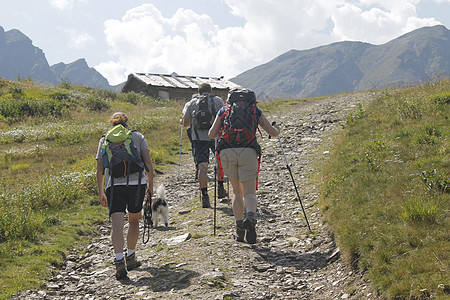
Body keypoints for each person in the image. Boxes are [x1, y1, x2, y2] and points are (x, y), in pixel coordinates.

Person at [208, 88, 280, 244]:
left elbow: (211, 134)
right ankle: (251, 218)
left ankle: (240, 229)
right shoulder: (255, 110)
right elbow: (272, 132)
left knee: (236, 192)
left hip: (227, 152)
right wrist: (277, 129)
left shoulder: (224, 110)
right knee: (249, 193)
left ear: (229, 99)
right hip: (248, 151)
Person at [96, 112, 154, 279]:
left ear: (112, 124)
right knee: (134, 220)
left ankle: (119, 261)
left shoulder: (104, 139)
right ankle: (131, 256)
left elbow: (100, 168)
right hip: (136, 184)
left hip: (113, 186)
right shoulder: (137, 136)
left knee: (117, 224)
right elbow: (148, 162)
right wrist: (150, 186)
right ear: (127, 124)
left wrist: (101, 192)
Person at [182, 83, 228, 208]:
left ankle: (205, 196)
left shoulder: (192, 103)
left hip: (198, 138)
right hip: (215, 136)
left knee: (202, 166)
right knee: (219, 162)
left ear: (199, 91)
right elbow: (225, 116)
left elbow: (186, 123)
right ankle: (220, 188)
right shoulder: (217, 100)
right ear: (211, 91)